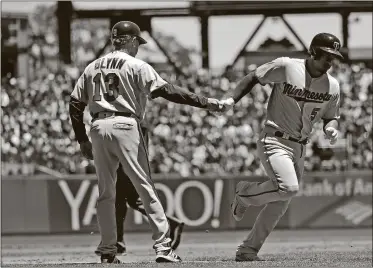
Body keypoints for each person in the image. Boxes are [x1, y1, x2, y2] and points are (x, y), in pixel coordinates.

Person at [69, 21, 223, 264]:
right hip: (125, 124)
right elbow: (168, 90)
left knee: (106, 194)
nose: (138, 47)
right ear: (130, 40)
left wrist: (81, 139)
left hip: (97, 127)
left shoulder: (92, 66)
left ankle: (108, 250)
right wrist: (204, 102)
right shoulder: (136, 65)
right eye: (137, 42)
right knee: (144, 187)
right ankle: (163, 247)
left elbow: (76, 104)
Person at [219, 32, 342, 261]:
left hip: (300, 148)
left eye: (333, 57)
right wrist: (232, 100)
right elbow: (253, 77)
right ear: (313, 51)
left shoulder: (332, 86)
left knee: (280, 203)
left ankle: (248, 250)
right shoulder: (286, 66)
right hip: (275, 139)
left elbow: (330, 116)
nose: (329, 61)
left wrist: (330, 128)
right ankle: (244, 194)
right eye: (326, 55)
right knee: (288, 189)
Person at [94, 121, 184, 256]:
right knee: (130, 201)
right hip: (131, 164)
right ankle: (168, 223)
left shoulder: (132, 120)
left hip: (127, 165)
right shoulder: (137, 120)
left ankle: (118, 241)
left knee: (120, 201)